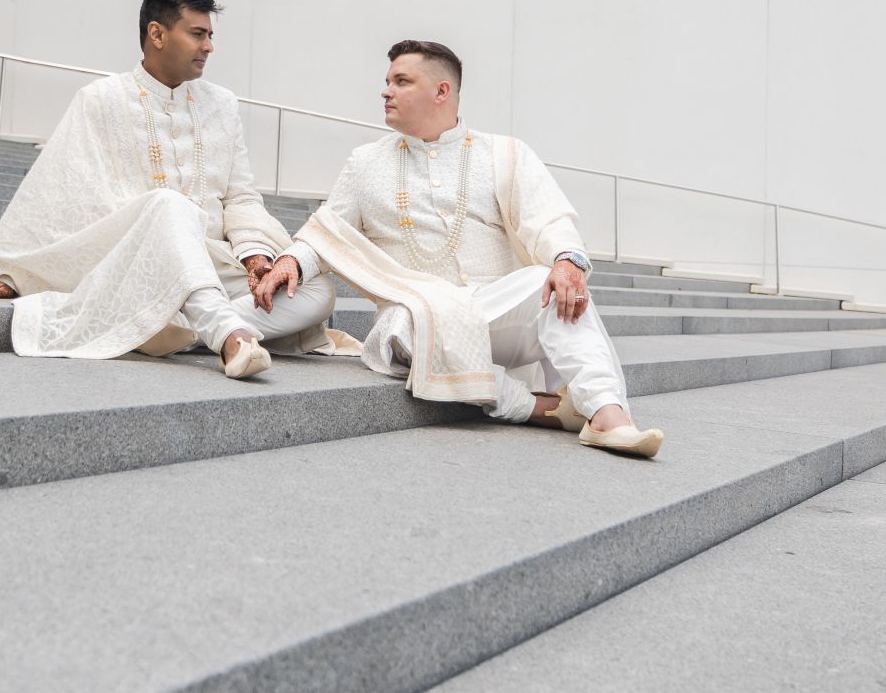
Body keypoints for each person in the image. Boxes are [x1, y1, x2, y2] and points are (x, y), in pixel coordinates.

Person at [252, 40, 662, 455]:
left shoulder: (505, 153)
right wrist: (291, 260)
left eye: (401, 81)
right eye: (387, 81)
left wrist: (567, 261)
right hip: (417, 313)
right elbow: (327, 232)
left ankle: (609, 416)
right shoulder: (365, 163)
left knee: (554, 282)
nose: (386, 91)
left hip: (494, 308)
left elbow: (549, 219)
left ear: (441, 91)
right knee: (399, 329)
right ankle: (541, 409)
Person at [0, 0, 354, 377]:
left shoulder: (222, 105)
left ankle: (176, 329)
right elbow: (62, 191)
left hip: (213, 260)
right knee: (170, 205)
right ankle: (229, 333)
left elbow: (241, 196)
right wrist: (14, 277)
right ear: (157, 34)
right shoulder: (101, 99)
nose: (209, 47)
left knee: (316, 291)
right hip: (135, 260)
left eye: (210, 35)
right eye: (197, 34)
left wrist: (256, 256)